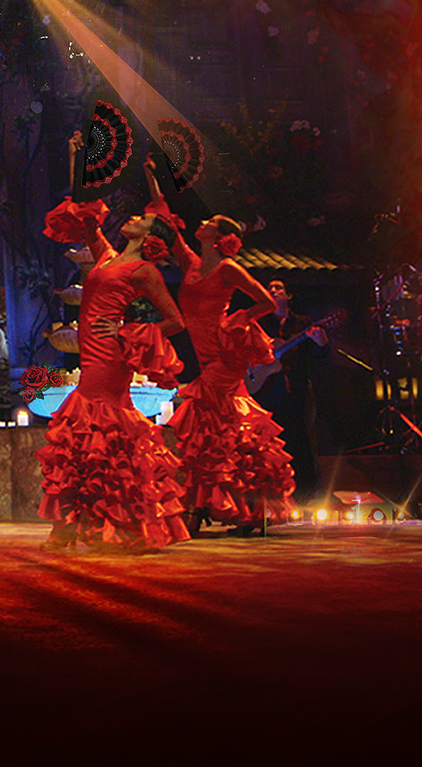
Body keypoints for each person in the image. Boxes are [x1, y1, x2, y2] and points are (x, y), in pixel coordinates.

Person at [36, 131, 189, 553]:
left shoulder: (145, 272)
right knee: (87, 431)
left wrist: (125, 333)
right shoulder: (106, 256)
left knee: (98, 428)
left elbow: (175, 320)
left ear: (149, 235)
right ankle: (84, 522)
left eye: (140, 219)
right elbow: (85, 217)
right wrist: (78, 160)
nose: (133, 217)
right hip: (92, 349)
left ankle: (100, 524)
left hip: (110, 355)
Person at [143, 156, 295, 536]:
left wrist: (239, 320)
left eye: (208, 223)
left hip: (224, 356)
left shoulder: (228, 268)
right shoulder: (192, 263)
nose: (201, 223)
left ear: (218, 236)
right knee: (229, 430)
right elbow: (167, 227)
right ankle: (249, 508)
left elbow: (265, 302)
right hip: (204, 353)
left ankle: (199, 511)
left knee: (203, 422)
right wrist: (152, 180)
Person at [255, 279, 327, 499]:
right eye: (270, 288)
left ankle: (305, 494)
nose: (274, 290)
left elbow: (316, 357)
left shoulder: (302, 323)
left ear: (288, 296)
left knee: (300, 438)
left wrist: (321, 343)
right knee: (267, 442)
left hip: (295, 388)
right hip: (266, 391)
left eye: (279, 288)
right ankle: (270, 492)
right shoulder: (259, 323)